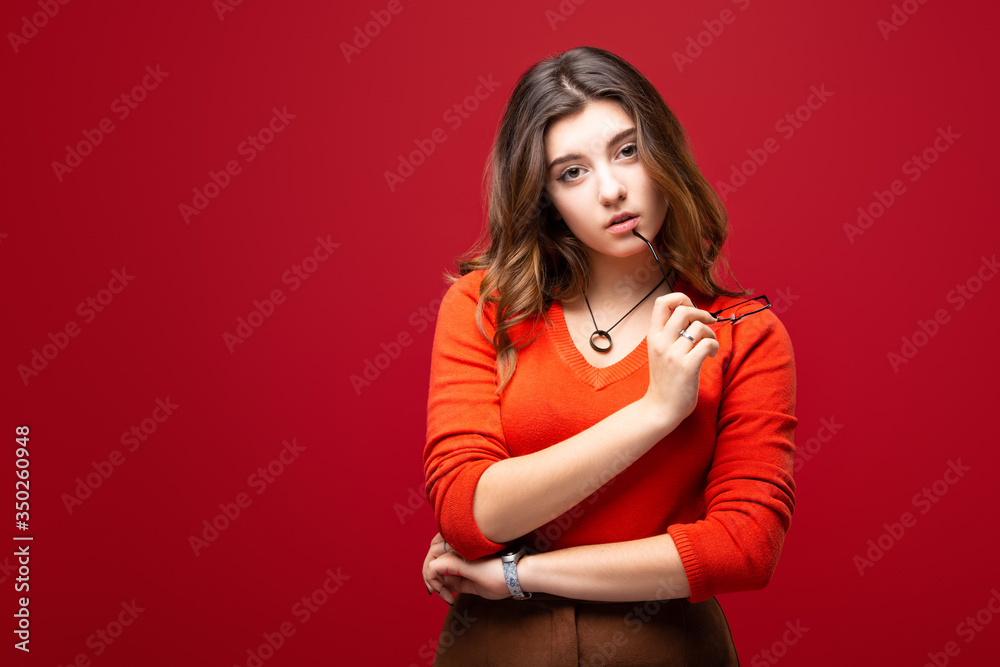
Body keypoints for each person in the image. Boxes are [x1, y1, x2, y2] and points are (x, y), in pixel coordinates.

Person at [420, 45, 796, 666]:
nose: (612, 189)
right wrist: (654, 412)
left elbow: (744, 549)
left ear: (664, 153)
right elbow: (467, 513)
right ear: (544, 197)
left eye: (627, 151)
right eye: (572, 172)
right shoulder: (485, 307)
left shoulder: (742, 333)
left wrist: (518, 574)